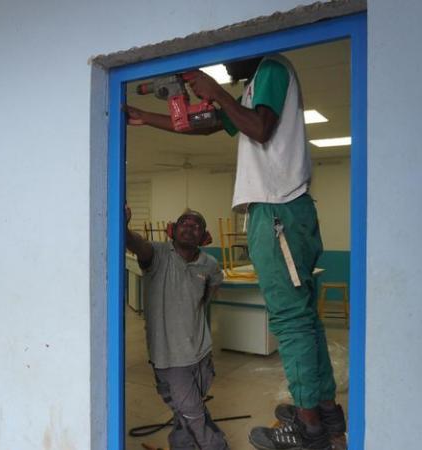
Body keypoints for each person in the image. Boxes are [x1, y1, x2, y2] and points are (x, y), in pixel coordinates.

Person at [126, 54, 345, 450]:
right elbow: (208, 124)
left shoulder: (271, 70)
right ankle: (325, 413)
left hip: (277, 209)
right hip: (284, 210)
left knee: (291, 324)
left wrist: (214, 93)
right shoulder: (251, 89)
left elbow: (260, 129)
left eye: (231, 58)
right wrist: (148, 117)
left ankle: (309, 429)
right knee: (305, 321)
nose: (226, 66)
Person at [125, 205, 229, 450]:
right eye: (184, 222)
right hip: (170, 358)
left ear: (204, 237)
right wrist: (125, 229)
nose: (189, 227)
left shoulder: (209, 264)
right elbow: (136, 243)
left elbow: (212, 287)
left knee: (186, 413)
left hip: (202, 353)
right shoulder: (156, 254)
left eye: (196, 225)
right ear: (172, 229)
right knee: (193, 414)